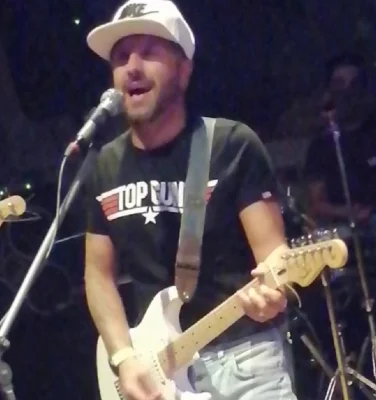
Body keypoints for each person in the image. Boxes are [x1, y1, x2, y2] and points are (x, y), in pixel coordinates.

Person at [84, 1, 297, 399]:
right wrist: (123, 357)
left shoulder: (230, 145)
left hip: (245, 362)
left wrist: (274, 291)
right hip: (157, 370)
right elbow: (98, 275)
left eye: (149, 52)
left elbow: (276, 256)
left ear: (183, 71)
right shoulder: (105, 165)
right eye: (121, 57)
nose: (132, 67)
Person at [303, 52, 376, 226]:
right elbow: (316, 204)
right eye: (340, 84)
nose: (348, 92)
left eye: (354, 84)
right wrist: (349, 212)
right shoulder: (321, 146)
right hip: (343, 229)